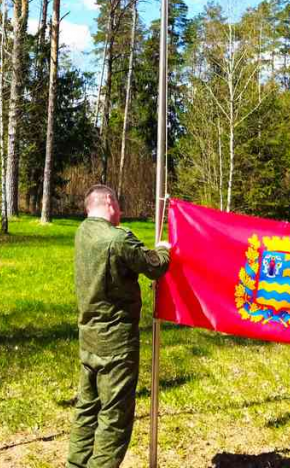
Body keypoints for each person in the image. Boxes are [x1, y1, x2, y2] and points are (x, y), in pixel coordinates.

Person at [67, 184, 171, 468]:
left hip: (89, 340)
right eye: (119, 206)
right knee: (115, 419)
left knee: (87, 410)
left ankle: (75, 464)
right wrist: (163, 250)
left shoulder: (82, 233)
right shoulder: (117, 240)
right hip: (116, 344)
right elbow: (154, 266)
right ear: (110, 203)